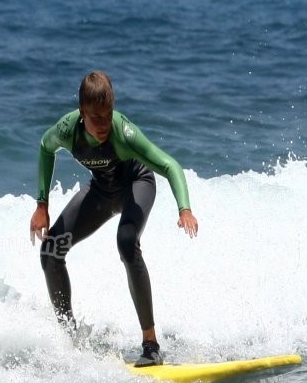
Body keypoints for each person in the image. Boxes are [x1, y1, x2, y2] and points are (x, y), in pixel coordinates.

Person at [29, 71, 198, 366]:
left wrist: (184, 209)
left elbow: (170, 165)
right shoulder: (68, 130)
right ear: (82, 113)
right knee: (50, 250)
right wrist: (42, 204)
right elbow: (45, 147)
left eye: (108, 115)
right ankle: (70, 340)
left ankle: (151, 344)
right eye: (96, 118)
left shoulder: (123, 133)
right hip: (102, 191)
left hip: (137, 184)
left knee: (127, 242)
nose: (104, 124)